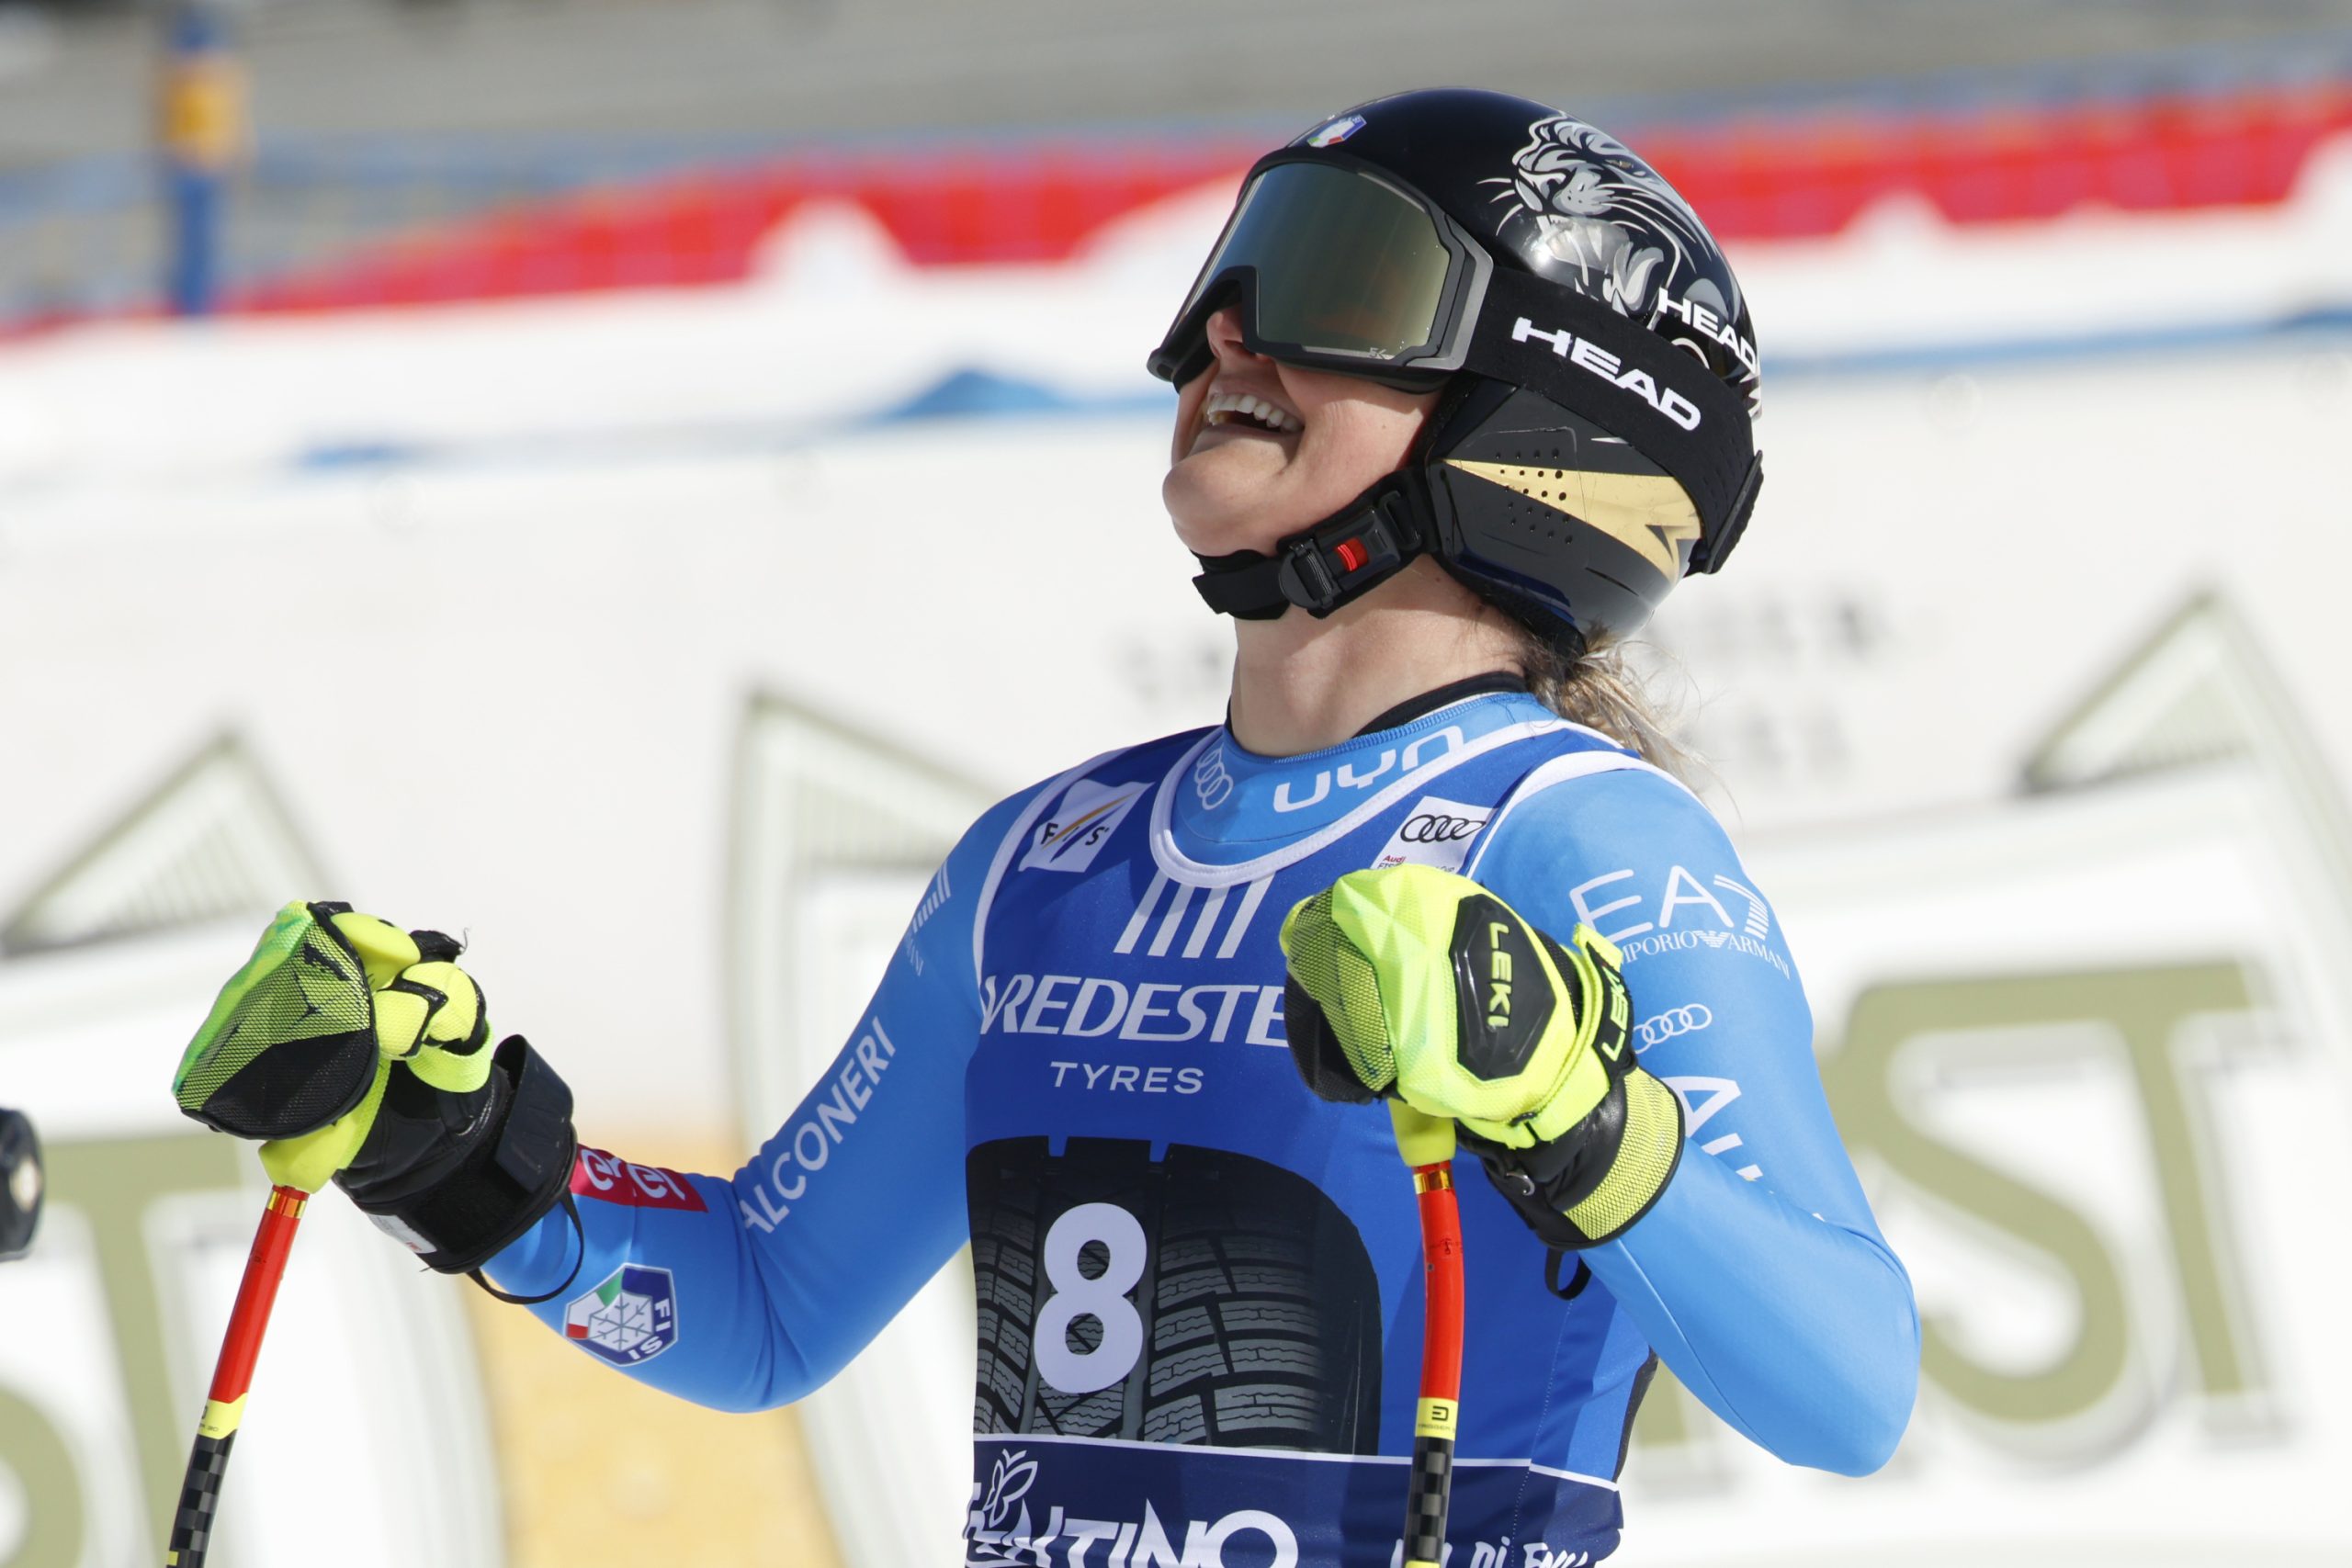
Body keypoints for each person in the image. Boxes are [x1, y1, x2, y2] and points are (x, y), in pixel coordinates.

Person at [171, 87, 1918, 1566]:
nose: (1228, 330)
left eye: (1341, 282)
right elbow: (767, 1304)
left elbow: (1850, 1391)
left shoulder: (1582, 845)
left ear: (1542, 412)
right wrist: (459, 1156)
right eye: (1234, 268)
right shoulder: (1047, 861)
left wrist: (1578, 1117)